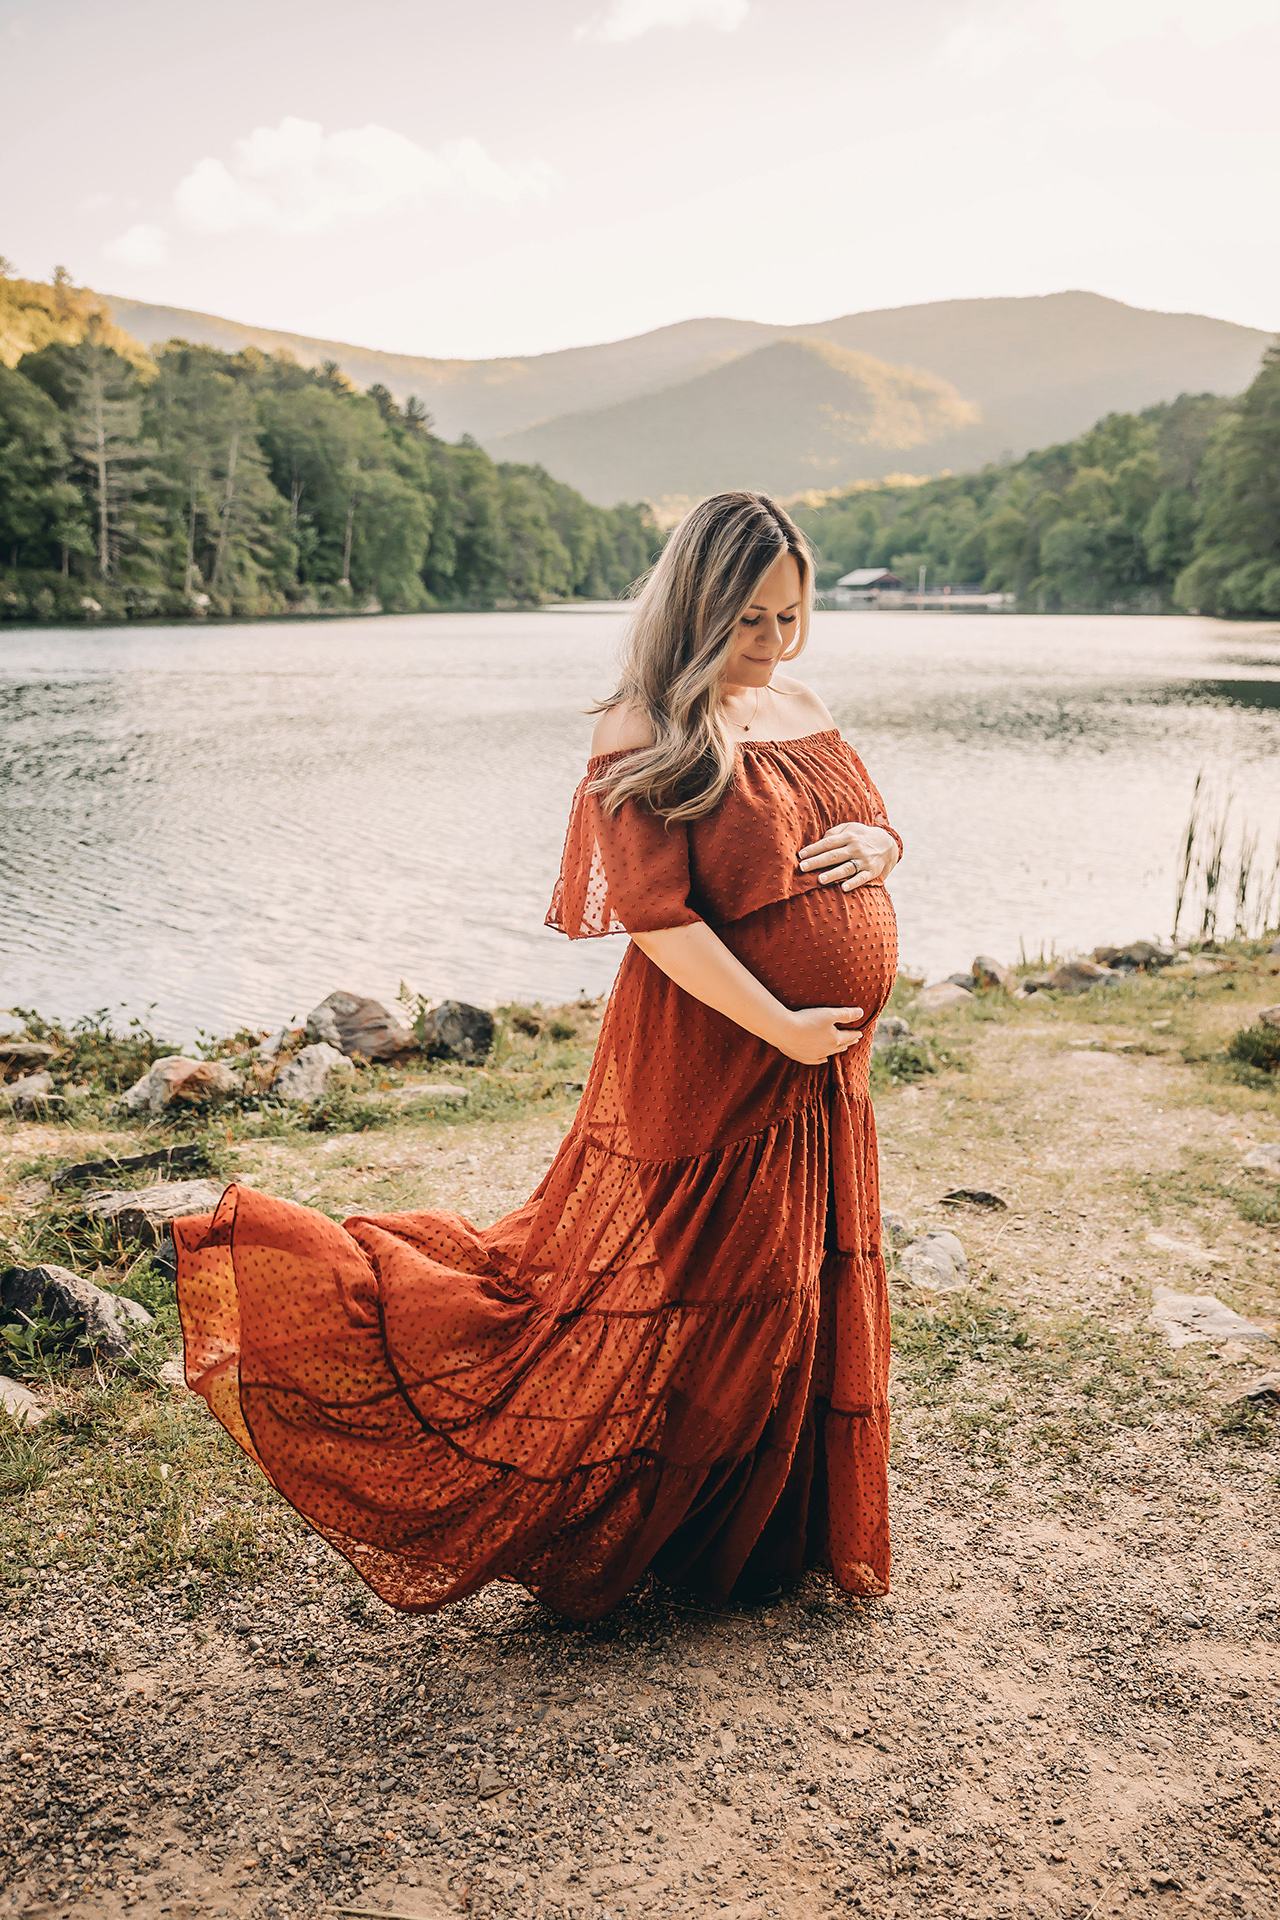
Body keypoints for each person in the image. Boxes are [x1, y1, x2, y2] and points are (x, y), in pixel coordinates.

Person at [173, 490, 902, 1622]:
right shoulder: (641, 729)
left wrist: (883, 840)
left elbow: (862, 831)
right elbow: (657, 921)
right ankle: (658, 1539)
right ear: (698, 610)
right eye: (749, 621)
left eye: (789, 618)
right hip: (720, 1058)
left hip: (820, 1077)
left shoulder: (801, 702)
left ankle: (764, 1538)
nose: (771, 645)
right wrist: (782, 1027)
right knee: (709, 1301)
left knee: (796, 1294)